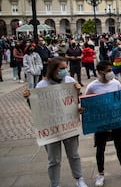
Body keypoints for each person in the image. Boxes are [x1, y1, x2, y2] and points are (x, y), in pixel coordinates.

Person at [23, 57, 88, 187]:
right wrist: (29, 99)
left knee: (74, 155)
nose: (65, 71)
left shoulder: (70, 81)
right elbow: (37, 109)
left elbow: (76, 102)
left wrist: (78, 98)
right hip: (51, 128)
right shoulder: (42, 85)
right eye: (61, 68)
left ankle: (79, 178)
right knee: (53, 160)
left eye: (65, 68)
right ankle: (55, 184)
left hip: (68, 126)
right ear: (53, 70)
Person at [84, 60, 121, 187]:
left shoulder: (116, 83)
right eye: (108, 71)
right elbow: (88, 104)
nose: (110, 73)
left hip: (116, 120)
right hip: (101, 123)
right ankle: (101, 174)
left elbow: (120, 99)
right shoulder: (92, 86)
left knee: (119, 145)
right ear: (100, 72)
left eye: (111, 70)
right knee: (100, 148)